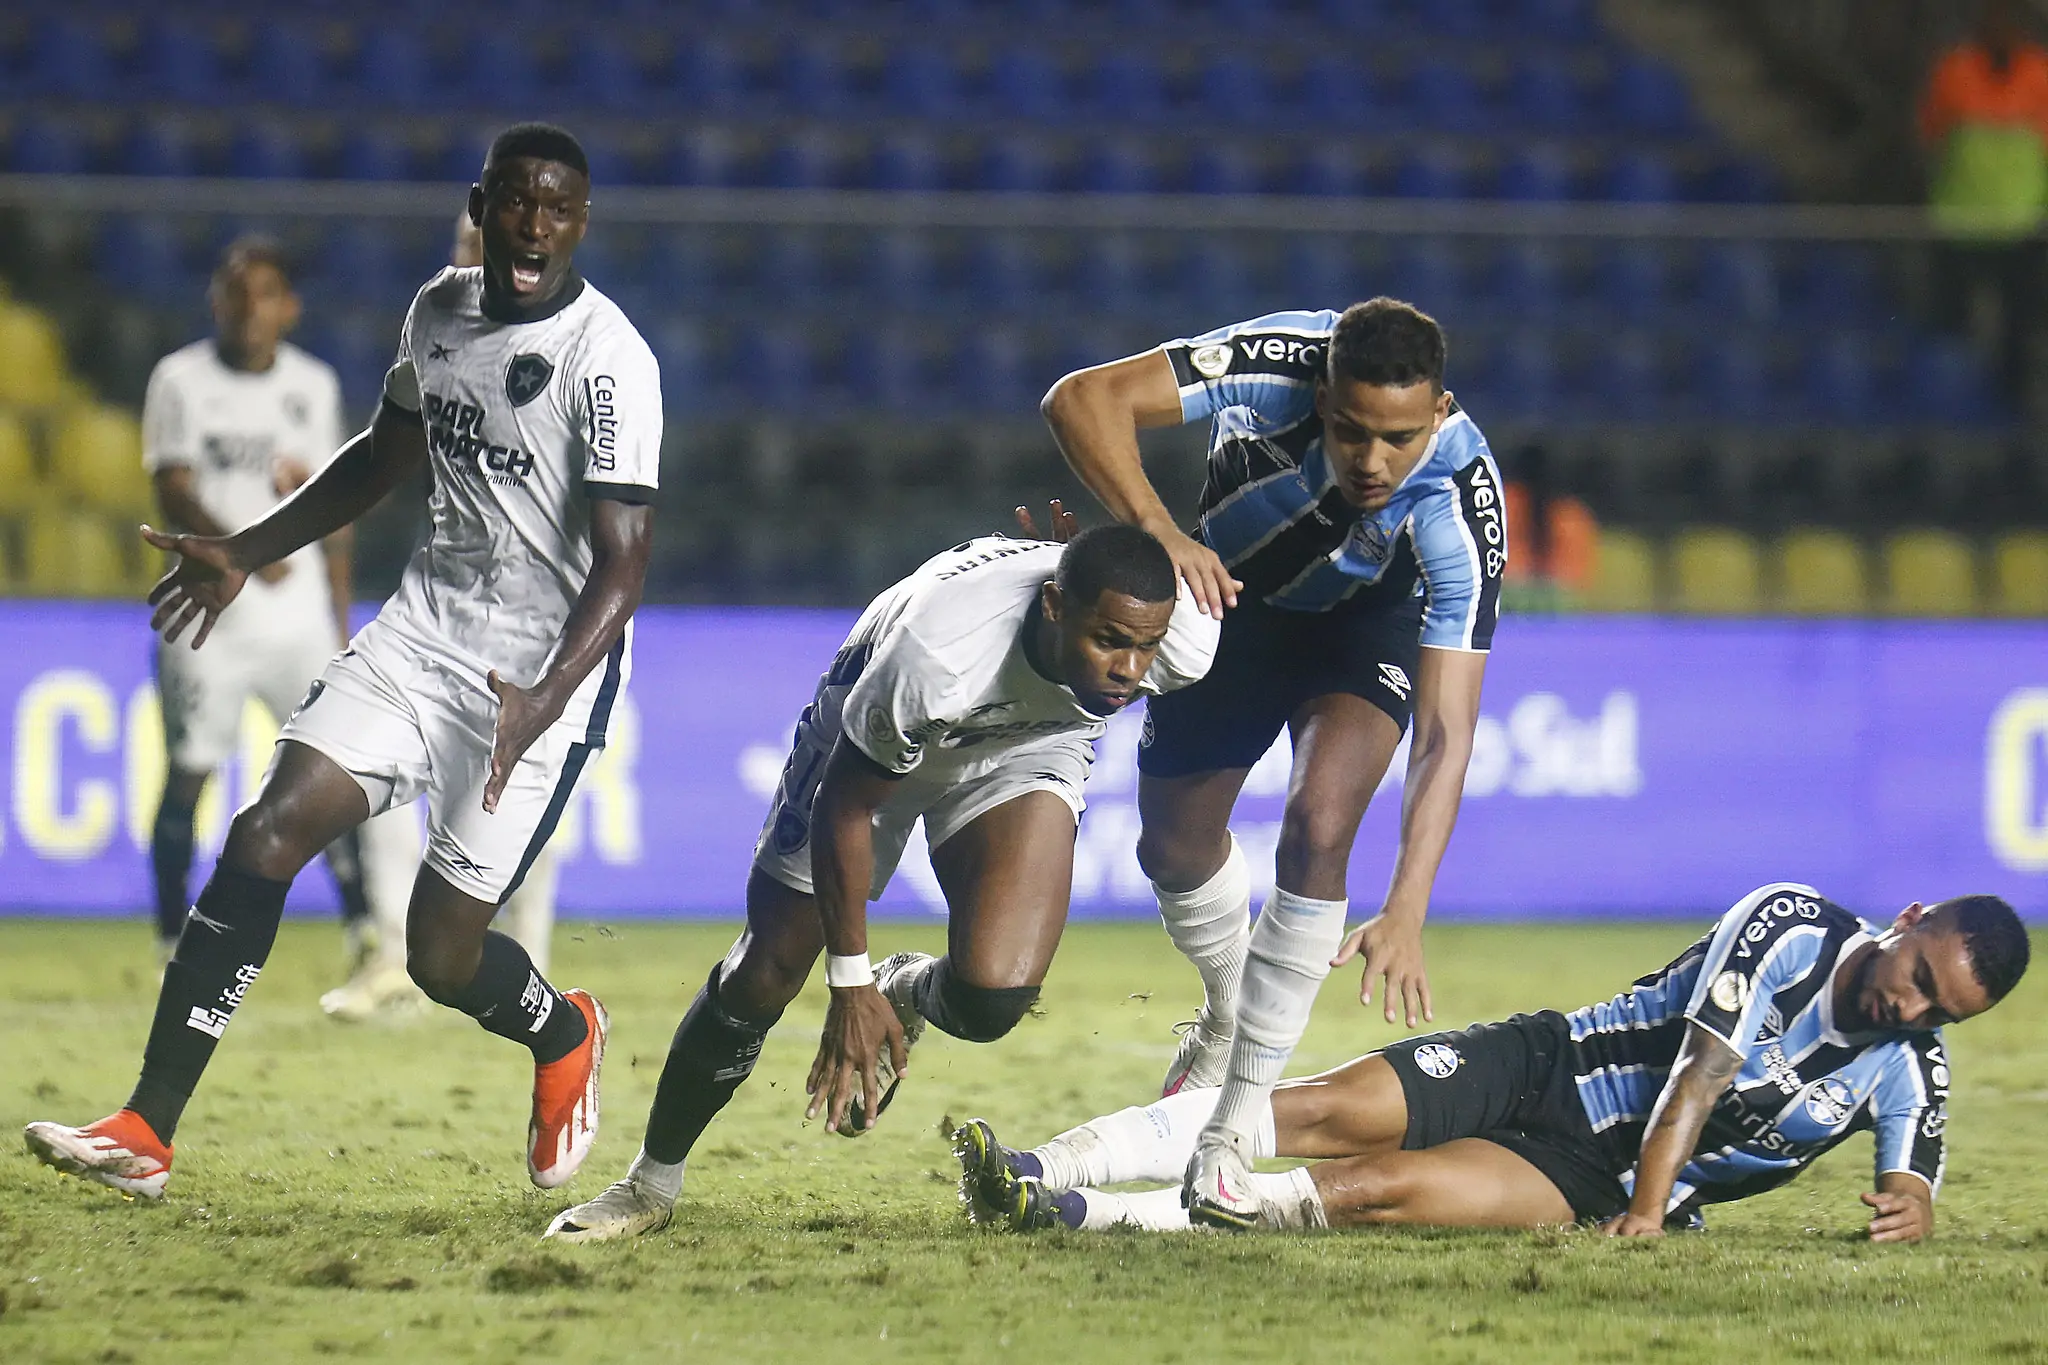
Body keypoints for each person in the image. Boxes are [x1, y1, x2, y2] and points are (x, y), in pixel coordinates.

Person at [23, 122, 659, 1199]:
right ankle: (147, 1128)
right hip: (419, 640)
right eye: (515, 203)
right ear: (482, 203)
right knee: (265, 832)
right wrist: (242, 548)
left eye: (557, 210)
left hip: (534, 681)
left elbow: (622, 566)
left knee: (440, 957)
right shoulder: (437, 313)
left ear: (580, 223)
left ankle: (563, 1033)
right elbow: (382, 455)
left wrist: (545, 699)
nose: (533, 228)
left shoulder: (611, 362)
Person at [542, 524, 1219, 1242]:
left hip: (1025, 744)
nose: (1130, 668)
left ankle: (910, 989)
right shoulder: (935, 655)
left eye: (1146, 645)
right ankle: (649, 1182)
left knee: (995, 994)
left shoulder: (1183, 644)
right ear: (1054, 606)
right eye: (1110, 640)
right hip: (874, 740)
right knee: (767, 969)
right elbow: (849, 805)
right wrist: (848, 981)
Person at [1039, 299, 1504, 1227]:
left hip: (1363, 630)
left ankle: (1225, 1136)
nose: (1374, 461)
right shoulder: (1278, 357)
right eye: (1352, 431)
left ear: (1442, 410)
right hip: (1229, 599)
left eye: (1401, 438)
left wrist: (1408, 904)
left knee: (1318, 828)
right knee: (1171, 850)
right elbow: (1080, 399)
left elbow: (1448, 733)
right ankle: (1224, 1011)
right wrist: (1160, 532)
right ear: (1321, 394)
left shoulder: (1462, 508)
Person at [954, 884, 2028, 1243]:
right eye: (1919, 973)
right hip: (1546, 1065)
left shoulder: (1908, 1066)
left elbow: (1911, 1178)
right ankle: (1045, 1163)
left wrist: (1909, 1206)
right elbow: (1696, 1079)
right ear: (1907, 919)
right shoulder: (1790, 926)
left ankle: (1076, 1218)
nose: (1910, 1005)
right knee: (1322, 1108)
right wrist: (1652, 1217)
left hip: (1582, 1179)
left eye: (1940, 1009)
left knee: (1362, 1193)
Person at [142, 237, 408, 991]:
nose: (246, 305)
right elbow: (172, 486)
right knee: (190, 772)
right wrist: (240, 550)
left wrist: (338, 612)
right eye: (233, 290)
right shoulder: (180, 381)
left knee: (330, 773)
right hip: (210, 618)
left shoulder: (313, 386)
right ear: (214, 301)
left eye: (263, 292)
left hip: (298, 622)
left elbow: (340, 503)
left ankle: (363, 924)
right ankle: (169, 934)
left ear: (289, 307)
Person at [320, 209, 561, 1020]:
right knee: (387, 791)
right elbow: (393, 446)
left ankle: (528, 953)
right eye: (465, 245)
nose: (474, 258)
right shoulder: (438, 330)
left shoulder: (572, 354)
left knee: (515, 805)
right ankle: (391, 953)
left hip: (533, 629)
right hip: (444, 614)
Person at [1920, 0, 2048, 398]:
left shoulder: (2040, 76)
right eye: (1994, 17)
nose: (2001, 27)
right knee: (1948, 327)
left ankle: (2011, 409)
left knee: (2020, 331)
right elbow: (1931, 136)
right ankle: (1948, 401)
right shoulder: (1955, 71)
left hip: (2022, 225)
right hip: (1959, 221)